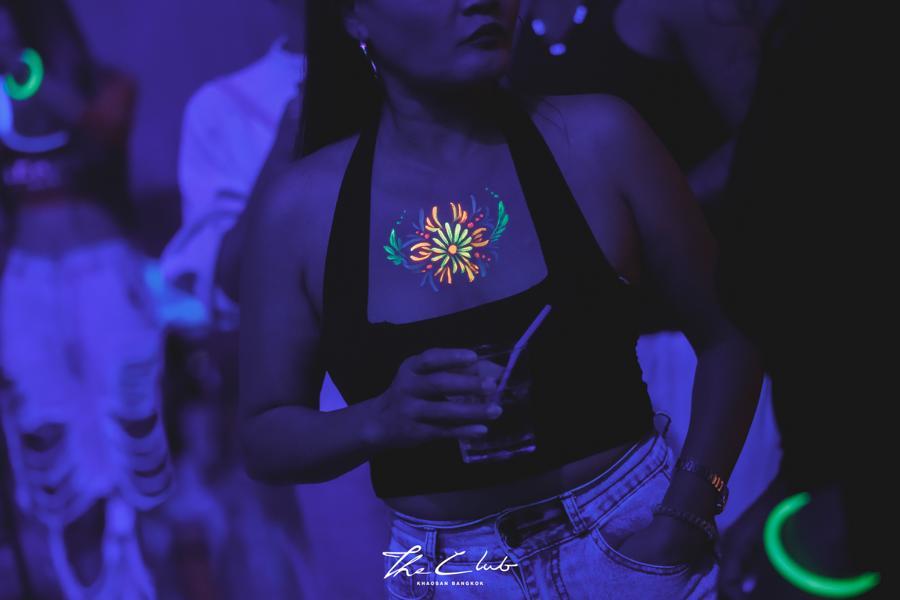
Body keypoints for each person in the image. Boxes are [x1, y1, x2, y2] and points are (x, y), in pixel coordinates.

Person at [240, 0, 762, 598]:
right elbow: (264, 438)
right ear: (354, 17)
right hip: (444, 571)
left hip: (633, 538)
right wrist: (376, 421)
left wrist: (690, 510)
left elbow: (733, 335)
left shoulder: (599, 139)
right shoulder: (300, 210)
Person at [0, 1, 171, 598]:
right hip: (25, 277)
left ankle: (149, 568)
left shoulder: (108, 85)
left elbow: (102, 133)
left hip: (102, 266)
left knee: (127, 414)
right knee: (47, 419)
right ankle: (84, 579)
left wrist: (33, 80)